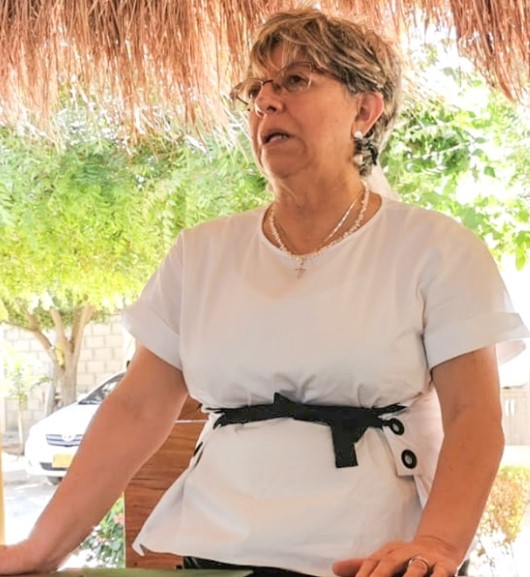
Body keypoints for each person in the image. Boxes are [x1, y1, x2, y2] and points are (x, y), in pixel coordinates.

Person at [1, 8, 528, 577]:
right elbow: (134, 409)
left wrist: (439, 545)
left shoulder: (437, 248)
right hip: (215, 557)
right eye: (256, 90)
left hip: (373, 563)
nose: (267, 102)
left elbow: (474, 415)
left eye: (296, 80)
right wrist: (40, 549)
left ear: (365, 110)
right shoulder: (201, 253)